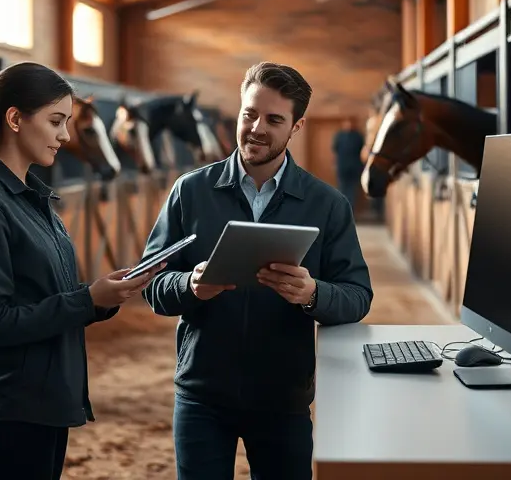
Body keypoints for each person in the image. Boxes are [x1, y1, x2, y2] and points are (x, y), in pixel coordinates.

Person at [141, 62, 374, 480]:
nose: (256, 128)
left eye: (274, 119)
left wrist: (313, 293)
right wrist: (189, 285)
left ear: (296, 126)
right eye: (250, 114)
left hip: (282, 399)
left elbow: (358, 295)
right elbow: (152, 284)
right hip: (201, 396)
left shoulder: (328, 204)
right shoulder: (190, 191)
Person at [0, 61, 161, 480]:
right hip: (15, 407)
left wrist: (101, 297)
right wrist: (87, 299)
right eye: (56, 121)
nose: (66, 136)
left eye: (68, 122)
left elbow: (46, 295)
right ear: (15, 118)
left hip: (47, 400)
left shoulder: (30, 197)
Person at [332, 117, 365, 206]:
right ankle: (343, 208)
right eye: (346, 123)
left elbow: (362, 151)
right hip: (342, 166)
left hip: (355, 166)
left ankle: (350, 209)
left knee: (352, 189)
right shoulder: (339, 136)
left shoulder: (358, 136)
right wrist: (335, 164)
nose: (348, 125)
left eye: (350, 123)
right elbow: (335, 150)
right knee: (342, 188)